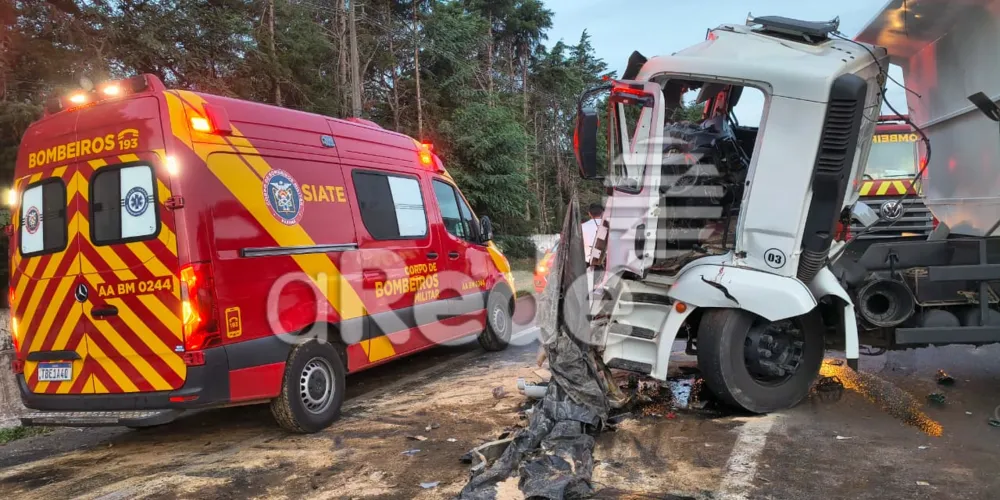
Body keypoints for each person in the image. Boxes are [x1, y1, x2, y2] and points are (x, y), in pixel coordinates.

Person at [581, 203, 605, 295]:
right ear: (603, 213)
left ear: (589, 213)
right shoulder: (609, 227)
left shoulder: (582, 227)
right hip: (603, 263)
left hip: (586, 262)